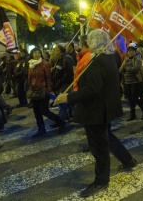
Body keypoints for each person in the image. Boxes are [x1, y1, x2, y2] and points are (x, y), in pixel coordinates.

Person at [56, 30, 137, 198]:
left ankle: (101, 181)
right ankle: (127, 160)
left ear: (94, 42)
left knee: (99, 148)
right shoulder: (108, 57)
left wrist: (68, 97)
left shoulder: (98, 61)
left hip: (96, 111)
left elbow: (91, 89)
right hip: (103, 109)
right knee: (106, 137)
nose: (87, 43)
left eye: (89, 41)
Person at [28, 48, 66, 137]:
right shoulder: (30, 64)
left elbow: (49, 78)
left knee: (44, 111)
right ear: (32, 54)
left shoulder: (45, 64)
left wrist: (48, 89)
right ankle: (41, 129)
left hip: (43, 90)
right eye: (35, 53)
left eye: (38, 53)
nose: (37, 54)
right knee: (36, 111)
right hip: (34, 90)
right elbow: (30, 78)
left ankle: (61, 122)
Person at [120, 43, 143, 121]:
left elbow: (136, 69)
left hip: (136, 82)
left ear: (135, 51)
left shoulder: (138, 59)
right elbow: (121, 69)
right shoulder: (126, 59)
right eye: (129, 51)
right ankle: (132, 115)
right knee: (130, 99)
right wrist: (126, 68)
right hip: (127, 82)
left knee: (135, 98)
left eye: (132, 51)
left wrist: (127, 68)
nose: (130, 52)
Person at [51, 45, 74, 121]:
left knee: (63, 101)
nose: (54, 51)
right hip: (62, 82)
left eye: (56, 50)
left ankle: (61, 119)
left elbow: (67, 73)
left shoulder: (65, 58)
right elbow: (60, 70)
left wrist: (60, 81)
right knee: (67, 101)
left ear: (60, 51)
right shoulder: (60, 58)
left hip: (65, 83)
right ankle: (70, 115)